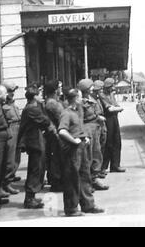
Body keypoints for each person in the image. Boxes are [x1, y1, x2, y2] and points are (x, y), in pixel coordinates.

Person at [58, 88, 104, 217]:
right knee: (72, 178)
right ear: (75, 99)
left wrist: (85, 137)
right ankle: (71, 209)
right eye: (80, 97)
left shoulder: (77, 111)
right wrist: (74, 140)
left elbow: (79, 127)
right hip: (73, 150)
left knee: (85, 175)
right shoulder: (66, 113)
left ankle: (88, 205)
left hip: (82, 147)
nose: (82, 99)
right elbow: (62, 131)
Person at [17, 83, 56, 209]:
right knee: (35, 169)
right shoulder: (32, 108)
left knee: (38, 168)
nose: (42, 96)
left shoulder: (34, 105)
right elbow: (44, 121)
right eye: (39, 93)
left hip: (36, 140)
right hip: (33, 142)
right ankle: (29, 199)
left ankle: (32, 197)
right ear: (34, 96)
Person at [77, 79, 109, 190]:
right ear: (86, 89)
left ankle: (94, 178)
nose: (92, 88)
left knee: (97, 154)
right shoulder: (80, 102)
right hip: (87, 131)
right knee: (87, 157)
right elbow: (81, 119)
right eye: (90, 87)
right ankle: (87, 183)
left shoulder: (91, 100)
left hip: (95, 130)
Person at [100, 78, 125, 173]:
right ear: (108, 87)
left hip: (114, 119)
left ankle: (115, 165)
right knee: (108, 143)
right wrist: (118, 108)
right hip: (108, 119)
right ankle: (104, 166)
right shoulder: (102, 95)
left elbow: (116, 106)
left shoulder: (111, 94)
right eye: (112, 86)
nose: (114, 87)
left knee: (117, 141)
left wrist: (117, 108)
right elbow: (110, 109)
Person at [44, 80, 65, 192]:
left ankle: (56, 180)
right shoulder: (52, 103)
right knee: (56, 158)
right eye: (60, 87)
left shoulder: (54, 101)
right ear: (55, 90)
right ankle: (56, 182)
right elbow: (61, 117)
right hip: (56, 134)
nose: (61, 89)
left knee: (56, 157)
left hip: (57, 132)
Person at [1, 81, 21, 195]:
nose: (12, 93)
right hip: (10, 129)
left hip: (17, 127)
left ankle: (11, 176)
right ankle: (6, 183)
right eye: (10, 91)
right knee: (9, 158)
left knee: (16, 156)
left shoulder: (12, 103)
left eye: (13, 91)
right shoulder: (2, 105)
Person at [92, 80, 108, 179]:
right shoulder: (91, 99)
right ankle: (96, 172)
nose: (101, 90)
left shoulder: (97, 98)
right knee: (96, 151)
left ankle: (100, 169)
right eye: (100, 89)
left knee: (101, 147)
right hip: (96, 125)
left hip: (101, 126)